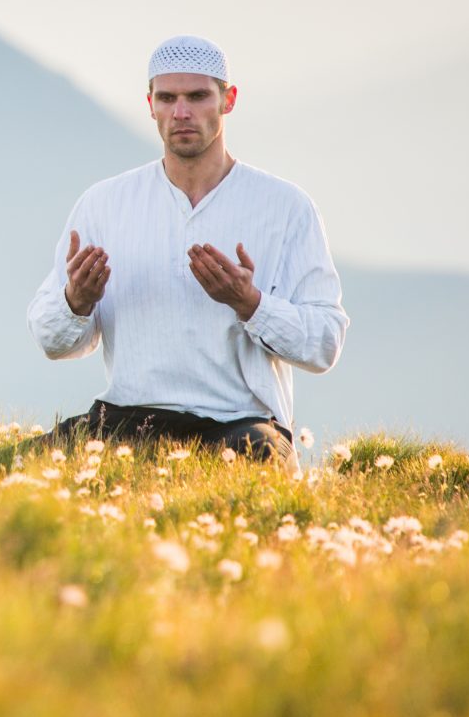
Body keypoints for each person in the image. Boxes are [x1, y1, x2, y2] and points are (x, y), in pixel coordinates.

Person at [26, 35, 347, 467]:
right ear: (150, 103)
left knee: (256, 467)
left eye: (197, 97)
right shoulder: (105, 204)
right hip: (127, 418)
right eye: (167, 98)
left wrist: (250, 304)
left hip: (239, 423)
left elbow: (325, 343)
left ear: (227, 100)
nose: (181, 113)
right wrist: (76, 301)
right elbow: (51, 340)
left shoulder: (286, 207)